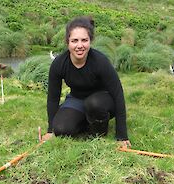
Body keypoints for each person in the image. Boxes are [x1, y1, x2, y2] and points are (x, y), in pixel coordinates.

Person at [42, 16, 131, 149]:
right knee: (61, 129)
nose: (79, 46)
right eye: (74, 41)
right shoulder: (59, 64)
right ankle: (86, 120)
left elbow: (118, 95)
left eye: (84, 40)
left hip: (102, 100)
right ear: (68, 42)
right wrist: (50, 130)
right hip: (77, 99)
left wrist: (122, 136)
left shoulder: (100, 62)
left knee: (94, 105)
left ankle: (99, 125)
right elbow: (53, 98)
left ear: (90, 41)